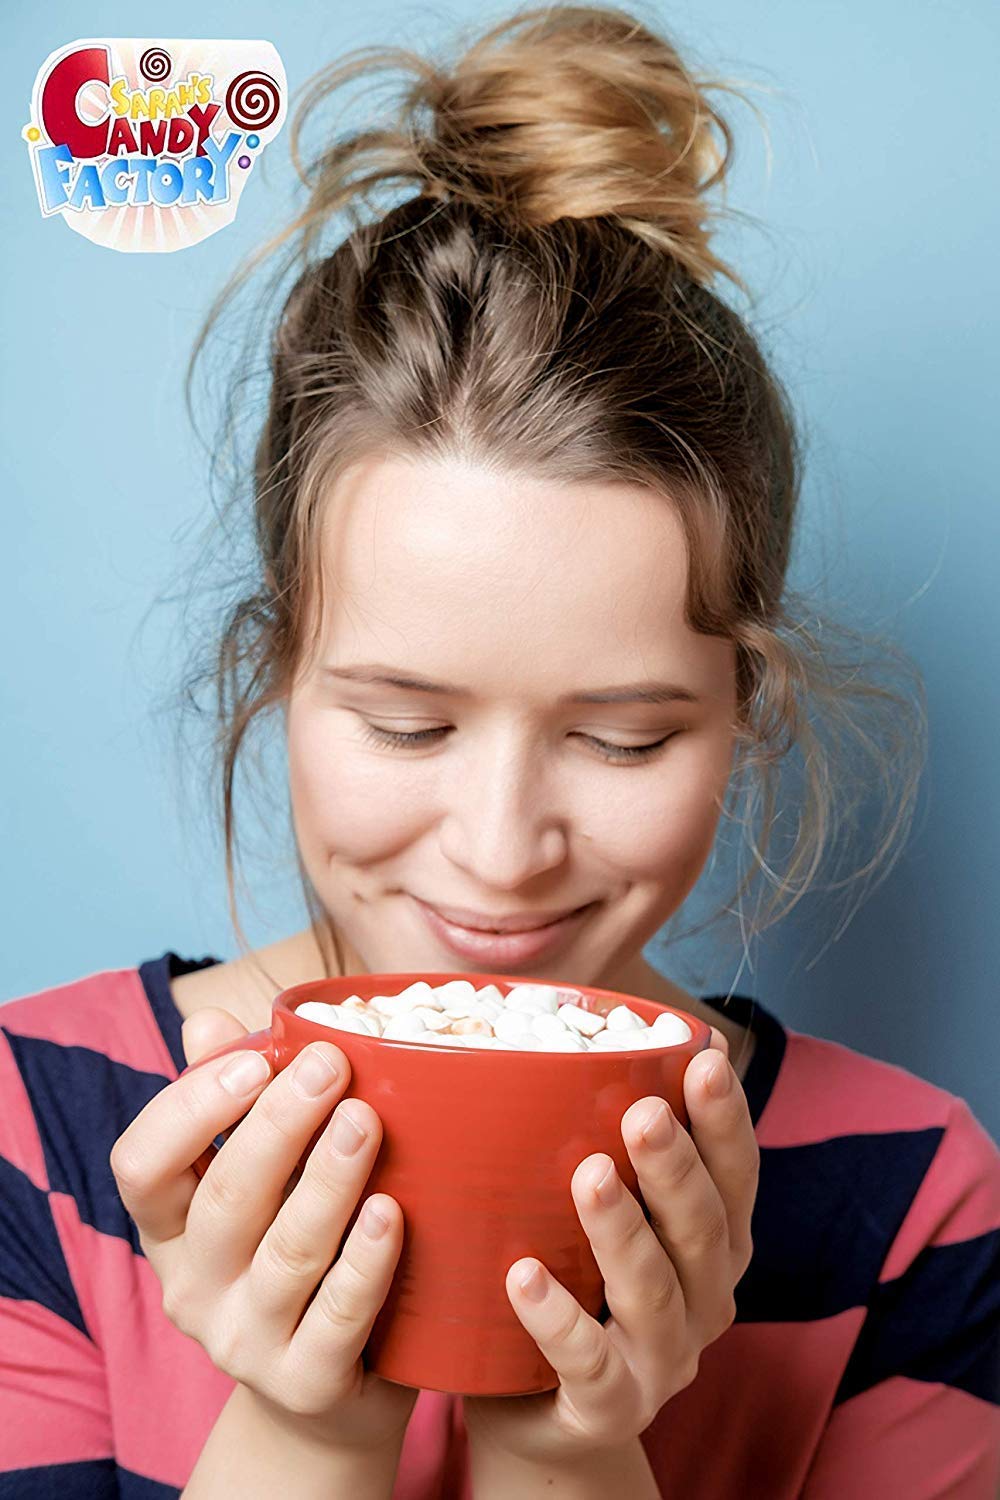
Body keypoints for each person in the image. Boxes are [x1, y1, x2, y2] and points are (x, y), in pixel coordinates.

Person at [2, 4, 998, 1497]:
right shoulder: (41, 1124)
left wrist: (576, 1453)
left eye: (622, 737)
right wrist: (304, 1420)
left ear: (746, 709)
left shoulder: (914, 1200)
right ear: (275, 671)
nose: (499, 848)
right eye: (407, 723)